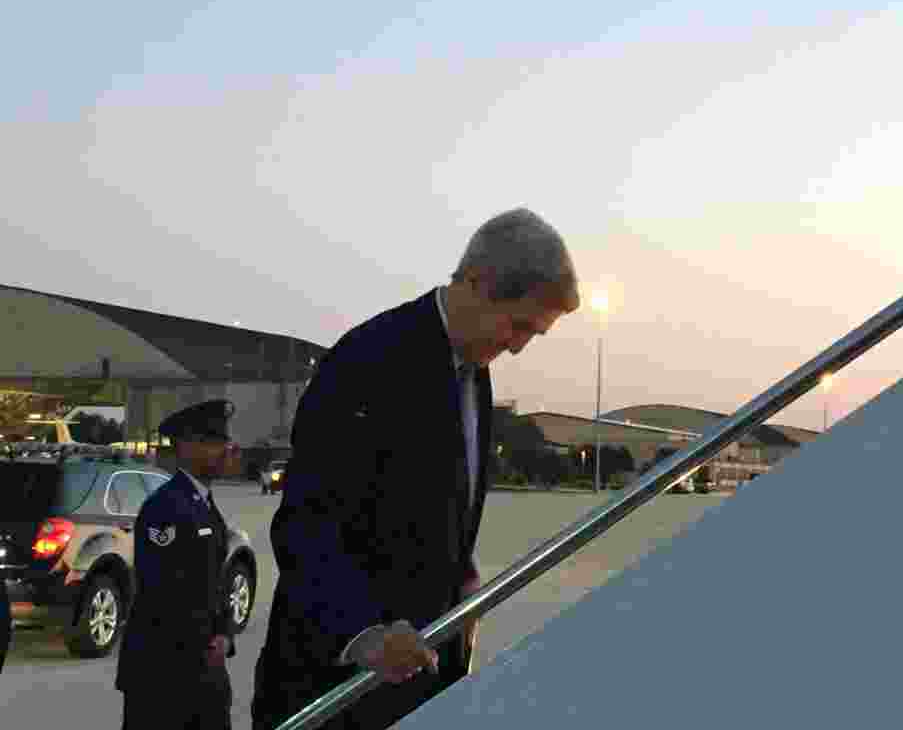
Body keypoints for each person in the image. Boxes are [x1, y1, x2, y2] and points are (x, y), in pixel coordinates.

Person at [251, 208, 580, 730]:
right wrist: (363, 631)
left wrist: (464, 586)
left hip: (422, 671)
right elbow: (306, 524)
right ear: (477, 282)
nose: (518, 346)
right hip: (339, 682)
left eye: (533, 335)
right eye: (518, 325)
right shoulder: (369, 360)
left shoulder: (473, 372)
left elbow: (440, 511)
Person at [115, 399, 238, 730]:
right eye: (213, 442)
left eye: (224, 441)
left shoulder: (204, 506)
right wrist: (205, 642)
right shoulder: (165, 508)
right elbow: (163, 591)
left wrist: (224, 634)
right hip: (163, 673)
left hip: (200, 669)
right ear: (185, 447)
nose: (225, 449)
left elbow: (214, 583)